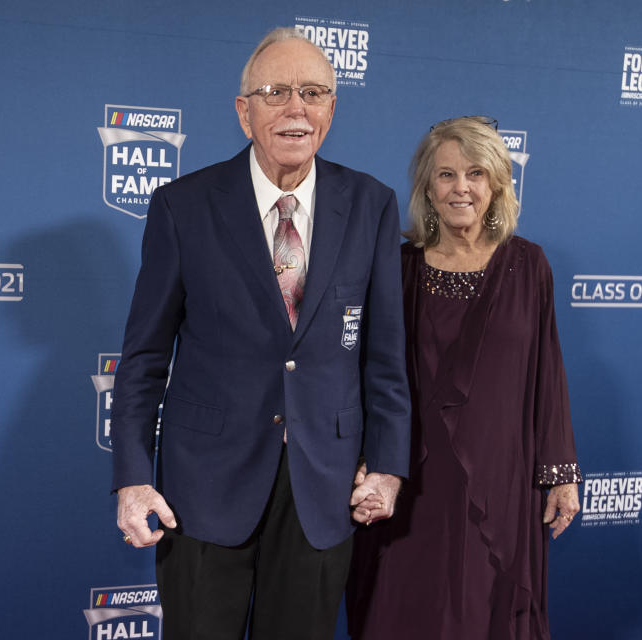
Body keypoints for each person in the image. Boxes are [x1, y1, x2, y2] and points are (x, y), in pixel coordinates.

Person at [110, 27, 411, 640]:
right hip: (202, 489)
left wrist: (386, 465)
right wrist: (133, 479)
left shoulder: (372, 204)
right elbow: (143, 358)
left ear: (332, 108)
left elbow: (385, 357)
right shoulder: (182, 206)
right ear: (244, 112)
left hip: (323, 491)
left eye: (312, 92)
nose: (295, 108)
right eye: (275, 92)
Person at [346, 116, 582, 640]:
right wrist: (364, 457)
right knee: (399, 607)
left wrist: (561, 471)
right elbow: (363, 368)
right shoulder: (397, 265)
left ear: (496, 183)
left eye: (475, 173)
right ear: (428, 187)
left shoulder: (529, 265)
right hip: (407, 478)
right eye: (446, 174)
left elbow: (548, 372)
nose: (461, 188)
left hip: (501, 481)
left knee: (486, 610)